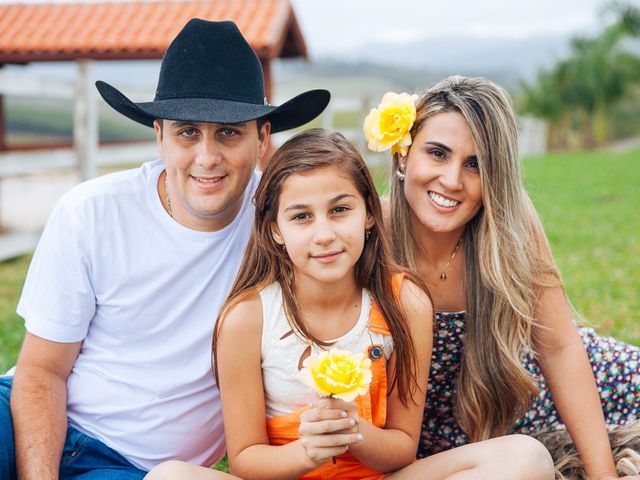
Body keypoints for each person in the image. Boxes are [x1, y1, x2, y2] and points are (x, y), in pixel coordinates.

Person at [0, 18, 330, 479]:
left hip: (141, 468)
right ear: (159, 135)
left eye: (229, 132)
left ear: (262, 138)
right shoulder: (91, 212)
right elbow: (41, 373)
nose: (207, 156)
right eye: (187, 132)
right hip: (29, 417)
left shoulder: (283, 223)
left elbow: (364, 216)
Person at [145, 128, 555, 480]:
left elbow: (401, 449)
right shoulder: (247, 317)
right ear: (275, 231)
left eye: (340, 210)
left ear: (369, 215)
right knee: (167, 476)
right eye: (302, 217)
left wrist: (354, 430)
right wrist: (307, 451)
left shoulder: (404, 301)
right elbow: (245, 460)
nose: (324, 234)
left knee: (526, 456)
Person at [367, 76, 640, 479]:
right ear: (404, 154)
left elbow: (560, 348)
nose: (452, 180)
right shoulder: (369, 233)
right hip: (415, 434)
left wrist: (604, 474)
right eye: (437, 153)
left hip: (513, 389)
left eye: (475, 164)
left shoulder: (510, 224)